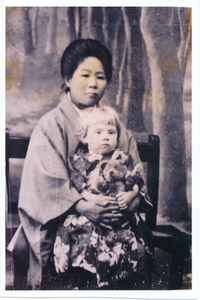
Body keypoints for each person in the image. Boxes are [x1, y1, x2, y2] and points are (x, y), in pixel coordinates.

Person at [8, 38, 153, 290]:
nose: (94, 84)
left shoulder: (114, 125)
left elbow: (134, 175)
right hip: (64, 222)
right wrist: (82, 204)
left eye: (100, 76)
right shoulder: (50, 125)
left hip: (116, 219)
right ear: (67, 79)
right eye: (85, 75)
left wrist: (134, 197)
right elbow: (46, 184)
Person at [53, 106, 153, 288]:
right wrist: (89, 199)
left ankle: (116, 278)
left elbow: (136, 182)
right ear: (85, 137)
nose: (105, 136)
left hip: (120, 217)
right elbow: (77, 185)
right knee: (79, 228)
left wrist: (129, 195)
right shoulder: (83, 161)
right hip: (89, 214)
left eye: (111, 132)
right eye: (98, 132)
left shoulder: (123, 158)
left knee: (127, 237)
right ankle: (87, 275)